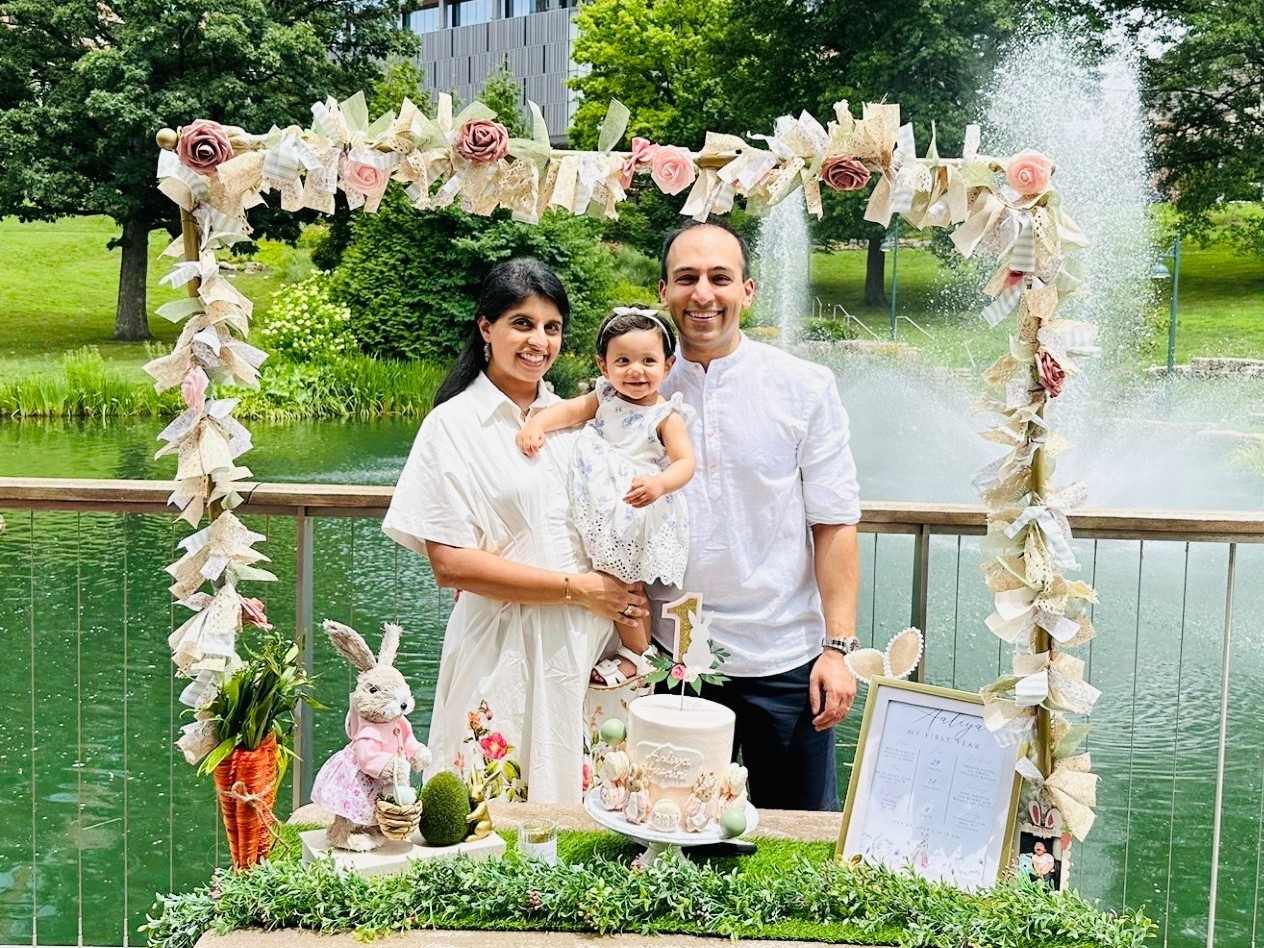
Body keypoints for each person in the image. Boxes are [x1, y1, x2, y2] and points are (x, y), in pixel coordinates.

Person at [382, 258, 648, 805]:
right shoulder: (453, 426)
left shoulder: (581, 420)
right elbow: (450, 564)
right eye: (522, 323)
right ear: (486, 328)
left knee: (592, 813)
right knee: (489, 813)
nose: (539, 341)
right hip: (502, 645)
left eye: (552, 327)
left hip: (588, 641)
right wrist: (579, 589)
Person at [648, 219, 863, 811]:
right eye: (686, 278)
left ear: (748, 290)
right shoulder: (637, 388)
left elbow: (835, 521)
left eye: (720, 278)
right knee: (671, 831)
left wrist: (837, 649)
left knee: (798, 841)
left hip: (786, 657)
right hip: (673, 658)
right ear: (662, 290)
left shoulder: (804, 387)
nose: (703, 294)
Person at [516, 306, 696, 684]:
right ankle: (631, 650)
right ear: (603, 364)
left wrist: (660, 483)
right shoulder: (605, 397)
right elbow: (568, 411)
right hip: (603, 510)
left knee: (627, 586)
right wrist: (537, 424)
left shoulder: (666, 416)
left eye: (649, 360)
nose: (636, 371)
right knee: (610, 579)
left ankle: (638, 654)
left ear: (668, 364)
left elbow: (685, 463)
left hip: (635, 509)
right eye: (624, 360)